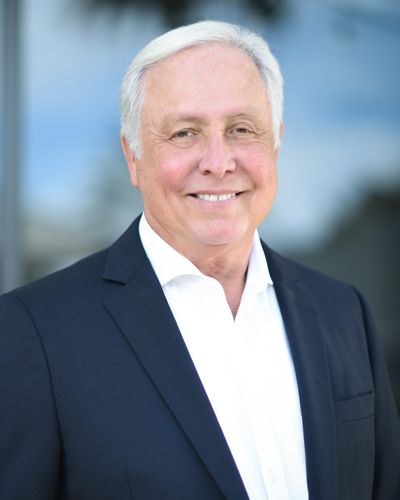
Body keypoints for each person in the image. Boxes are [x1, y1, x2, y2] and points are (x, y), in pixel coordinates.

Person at [0, 20, 399, 500]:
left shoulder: (344, 312)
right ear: (134, 158)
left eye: (242, 129)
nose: (218, 160)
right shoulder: (34, 333)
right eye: (185, 132)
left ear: (275, 143)